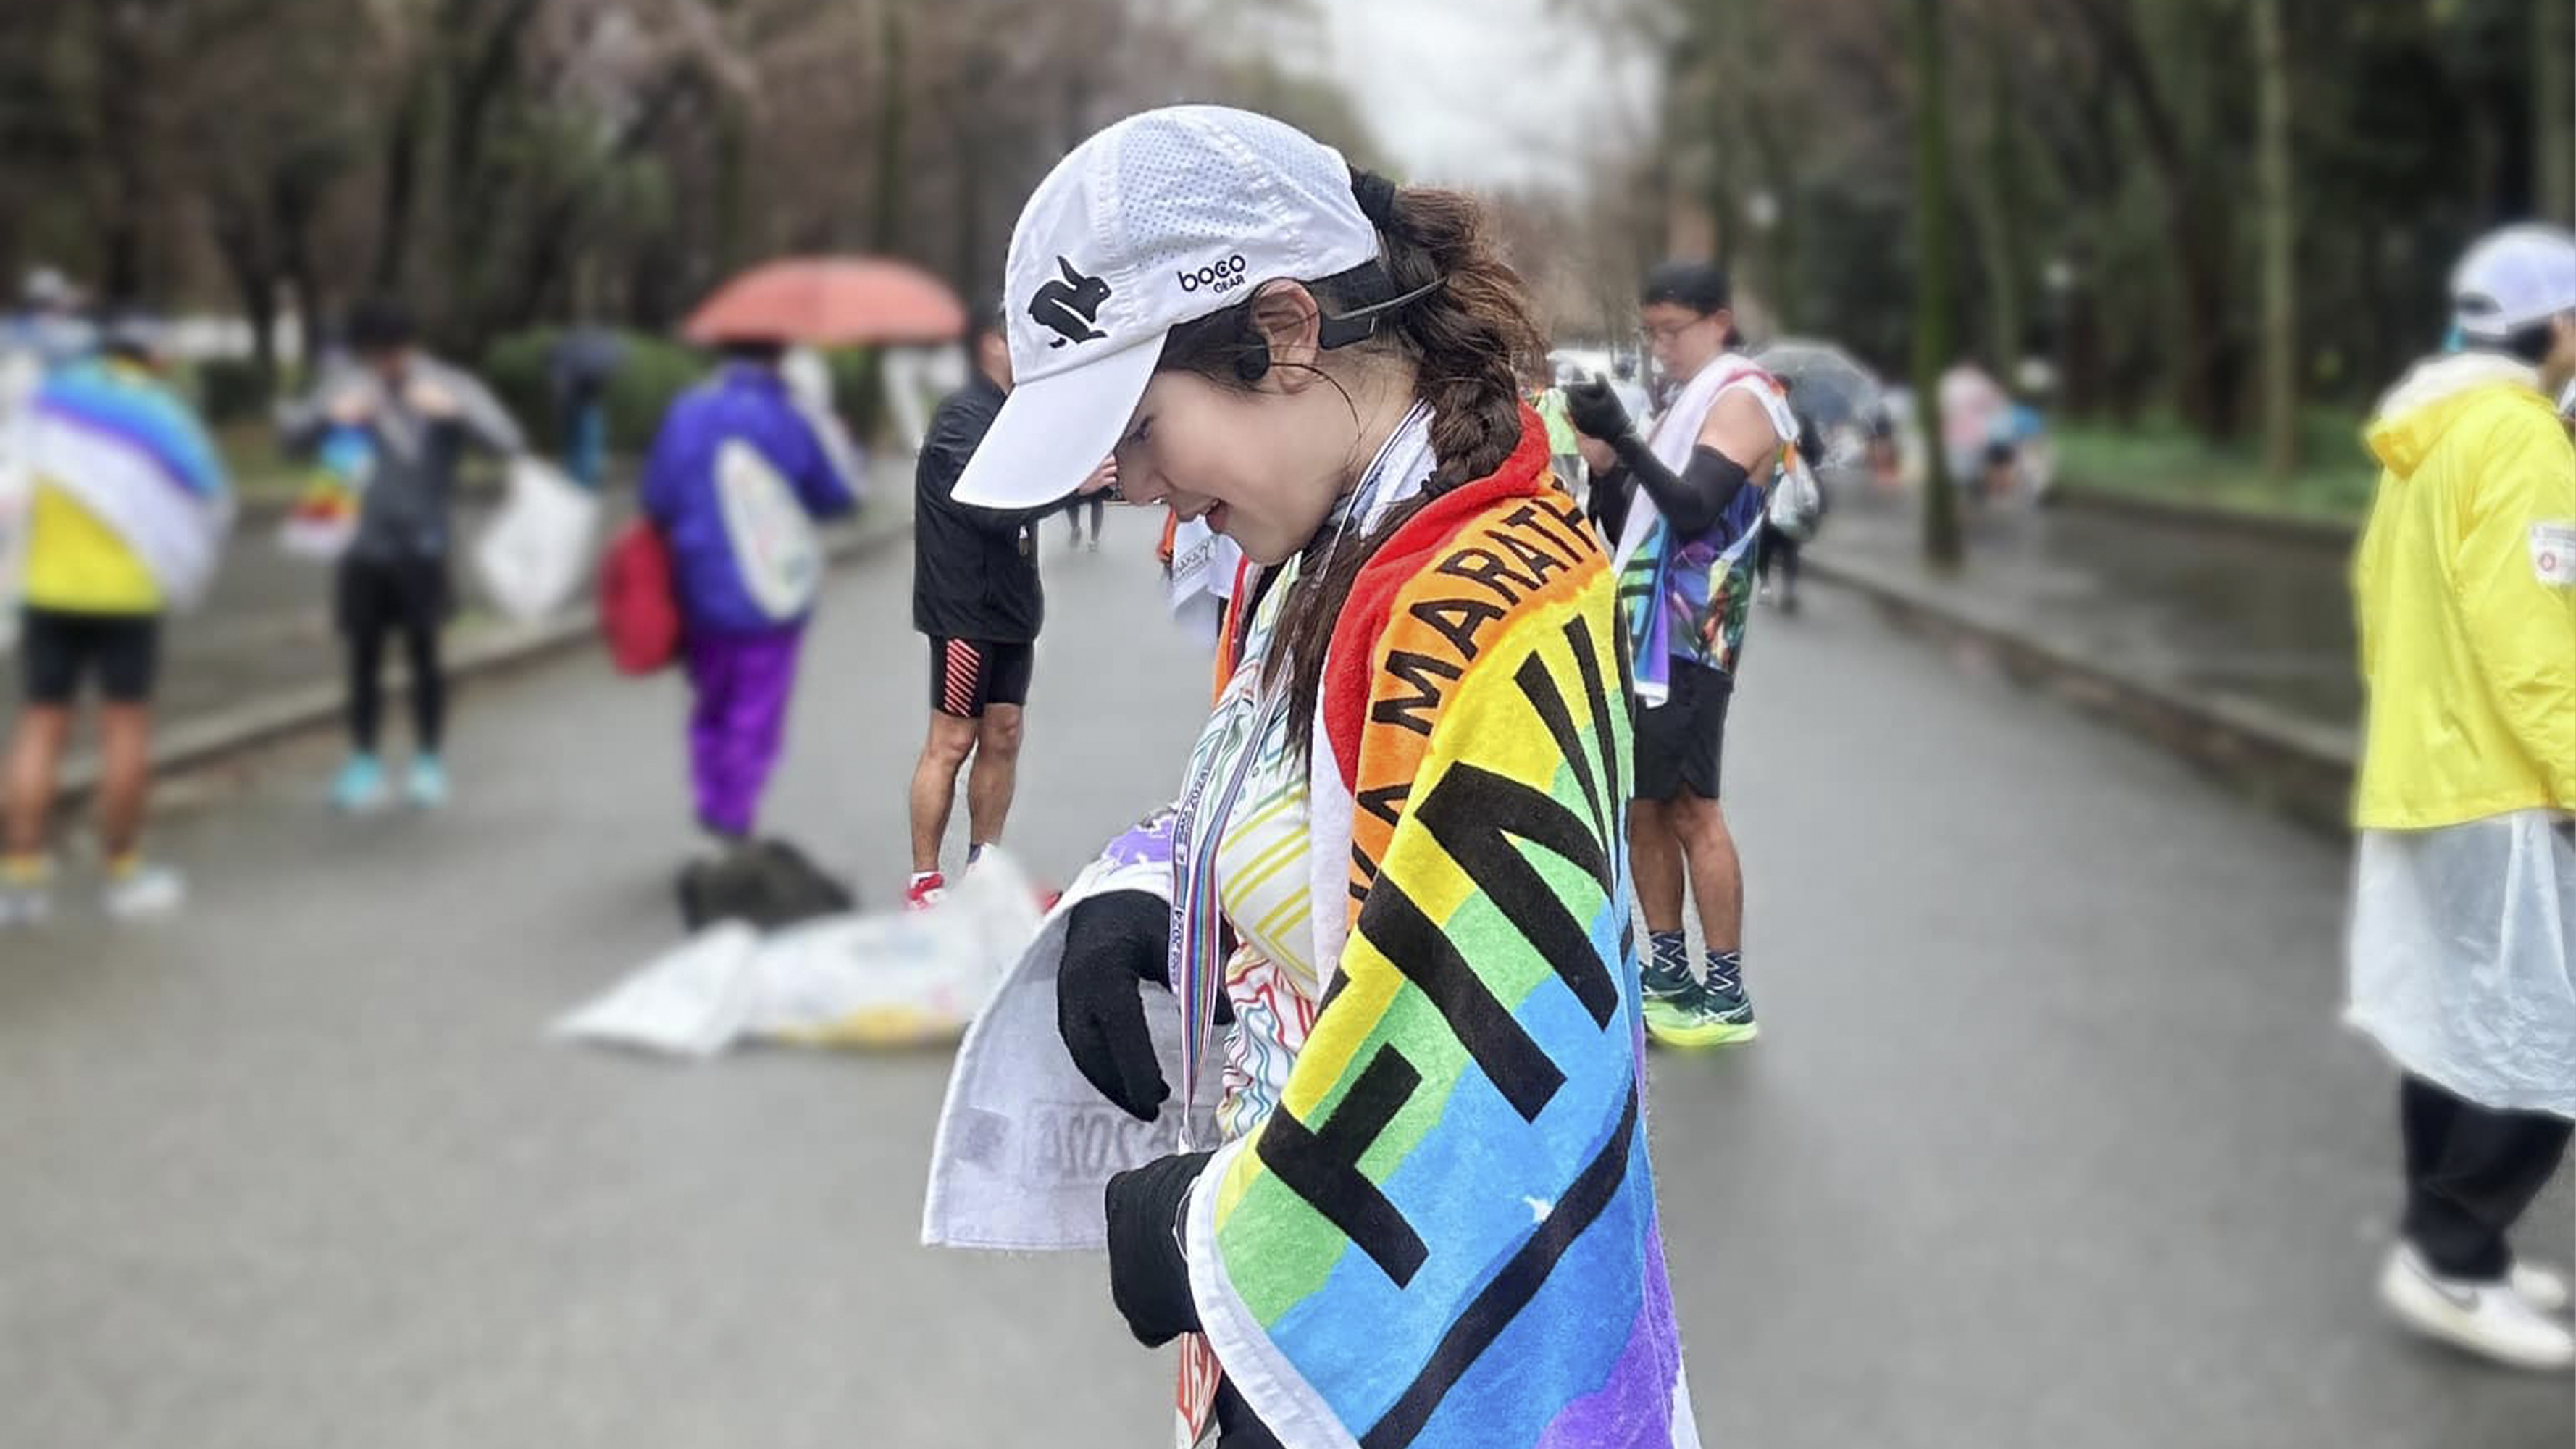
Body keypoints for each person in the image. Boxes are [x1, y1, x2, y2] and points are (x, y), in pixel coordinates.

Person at [921, 107, 1697, 1448]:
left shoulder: (1473, 601)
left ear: (1283, 334)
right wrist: (1149, 892)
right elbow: (1277, 801)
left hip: (1409, 1353)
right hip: (1333, 1321)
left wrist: (1219, 1223)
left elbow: (1487, 1042)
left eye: (1141, 428)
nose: (1136, 487)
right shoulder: (1323, 544)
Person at [2344, 222, 2576, 1372]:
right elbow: (2535, 637)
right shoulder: (2520, 436)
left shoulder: (2427, 436)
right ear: (2560, 325)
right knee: (2545, 1037)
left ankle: (2446, 1245)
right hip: (2505, 785)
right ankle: (2453, 1255)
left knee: (2456, 1028)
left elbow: (2379, 597)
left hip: (2426, 774)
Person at [1565, 262, 1794, 1048]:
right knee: (1644, 807)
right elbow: (1633, 523)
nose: (1661, 347)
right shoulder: (1687, 403)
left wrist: (1629, 439)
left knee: (1694, 808)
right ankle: (1669, 973)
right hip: (1648, 631)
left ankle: (1724, 992)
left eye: (1673, 331)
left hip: (1694, 637)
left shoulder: (1742, 398)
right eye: (1651, 333)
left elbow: (1695, 509)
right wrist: (1606, 460)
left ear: (1718, 322)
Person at [1, 317, 230, 924]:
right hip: (127, 598)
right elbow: (207, 490)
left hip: (48, 591)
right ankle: (124, 873)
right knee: (124, 732)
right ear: (153, 357)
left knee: (39, 727)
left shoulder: (47, 402)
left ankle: (19, 880)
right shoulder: (163, 414)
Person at [281, 298, 525, 812]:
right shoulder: (345, 384)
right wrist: (329, 417)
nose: (384, 366)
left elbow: (509, 441)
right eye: (374, 355)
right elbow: (290, 441)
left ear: (411, 346)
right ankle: (364, 760)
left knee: (425, 656)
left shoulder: (450, 383)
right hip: (360, 545)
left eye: (392, 354)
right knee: (362, 657)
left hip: (423, 545)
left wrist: (455, 413)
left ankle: (428, 760)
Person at [906, 304, 1112, 909]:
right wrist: (1070, 488)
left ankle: (984, 872)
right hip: (964, 609)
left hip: (1011, 607)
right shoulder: (961, 416)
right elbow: (986, 505)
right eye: (1021, 338)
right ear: (990, 343)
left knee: (1004, 734)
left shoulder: (1013, 414)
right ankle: (924, 883)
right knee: (952, 741)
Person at [640, 339, 861, 843]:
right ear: (779, 356)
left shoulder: (687, 412)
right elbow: (834, 495)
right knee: (755, 708)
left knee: (711, 699)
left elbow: (658, 497)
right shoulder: (789, 417)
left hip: (699, 584)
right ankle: (732, 816)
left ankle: (711, 796)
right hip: (771, 588)